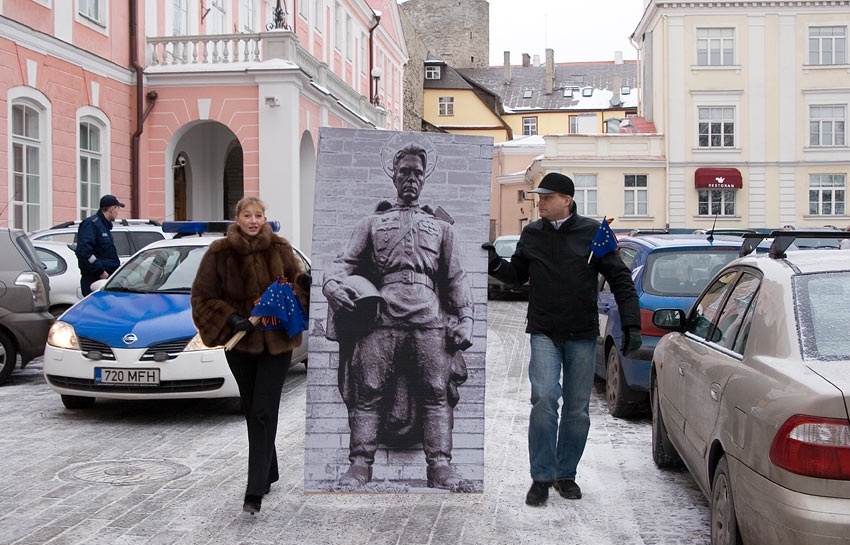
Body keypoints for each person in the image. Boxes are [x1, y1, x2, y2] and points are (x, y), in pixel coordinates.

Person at [322, 141, 475, 492]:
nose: (411, 178)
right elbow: (344, 264)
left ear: (425, 178)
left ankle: (440, 466)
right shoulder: (372, 223)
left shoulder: (442, 228)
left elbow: (455, 277)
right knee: (369, 389)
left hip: (428, 314)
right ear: (394, 174)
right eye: (404, 171)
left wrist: (465, 317)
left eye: (417, 173)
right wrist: (332, 286)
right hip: (383, 313)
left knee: (436, 391)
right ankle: (360, 465)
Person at [484, 172, 642, 507]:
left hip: (582, 333)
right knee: (543, 399)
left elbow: (621, 278)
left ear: (566, 200)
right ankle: (541, 477)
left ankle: (565, 474)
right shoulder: (532, 234)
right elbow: (516, 277)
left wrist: (631, 325)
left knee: (577, 410)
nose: (538, 202)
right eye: (537, 197)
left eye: (545, 197)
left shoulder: (595, 234)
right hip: (543, 330)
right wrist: (495, 264)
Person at [191, 197, 310, 515]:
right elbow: (202, 296)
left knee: (262, 411)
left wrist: (302, 288)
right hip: (242, 344)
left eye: (259, 215)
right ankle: (268, 470)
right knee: (251, 409)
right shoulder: (220, 253)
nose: (254, 220)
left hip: (278, 343)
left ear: (265, 218)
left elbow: (296, 286)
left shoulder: (281, 248)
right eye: (248, 215)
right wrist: (230, 318)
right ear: (237, 218)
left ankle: (254, 490)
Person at [75, 194, 124, 296]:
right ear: (112, 209)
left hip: (106, 277)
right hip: (95, 279)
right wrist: (101, 272)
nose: (117, 213)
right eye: (117, 209)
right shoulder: (92, 224)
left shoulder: (104, 226)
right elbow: (84, 251)